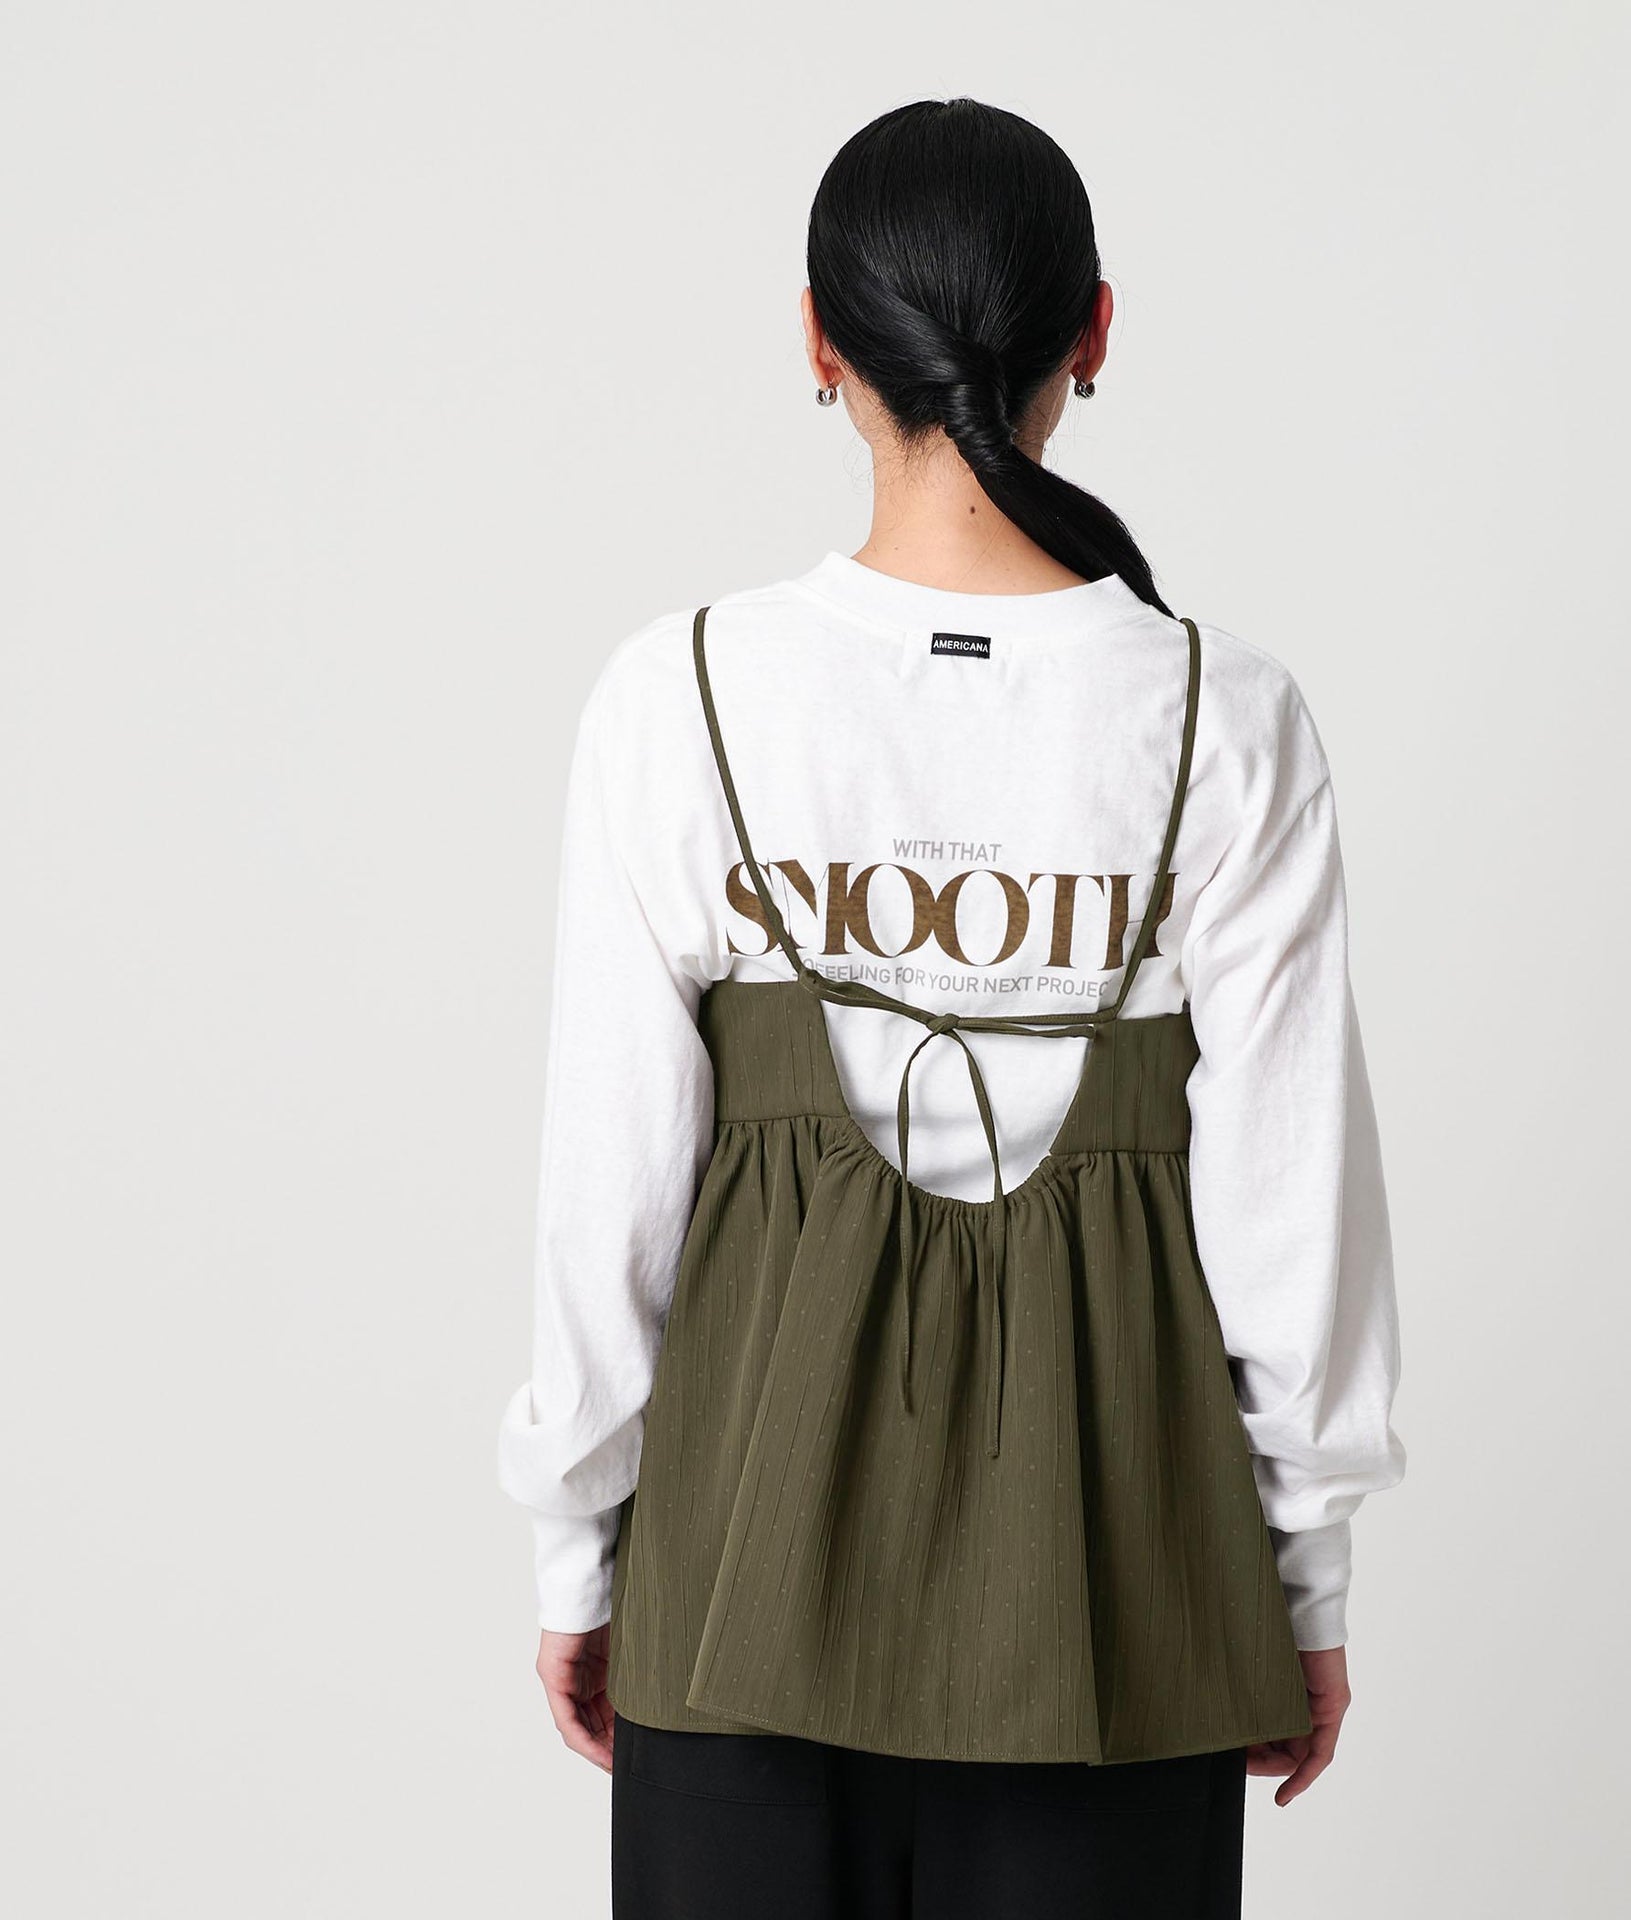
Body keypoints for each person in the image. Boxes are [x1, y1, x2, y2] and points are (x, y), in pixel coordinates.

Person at [499, 96, 1407, 1920]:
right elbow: (1292, 1208)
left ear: (819, 341)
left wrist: (576, 1557)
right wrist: (1301, 1582)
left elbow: (614, 1186)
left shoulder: (684, 695)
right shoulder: (1221, 719)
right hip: (1118, 1607)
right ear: (1093, 332)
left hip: (738, 1594)